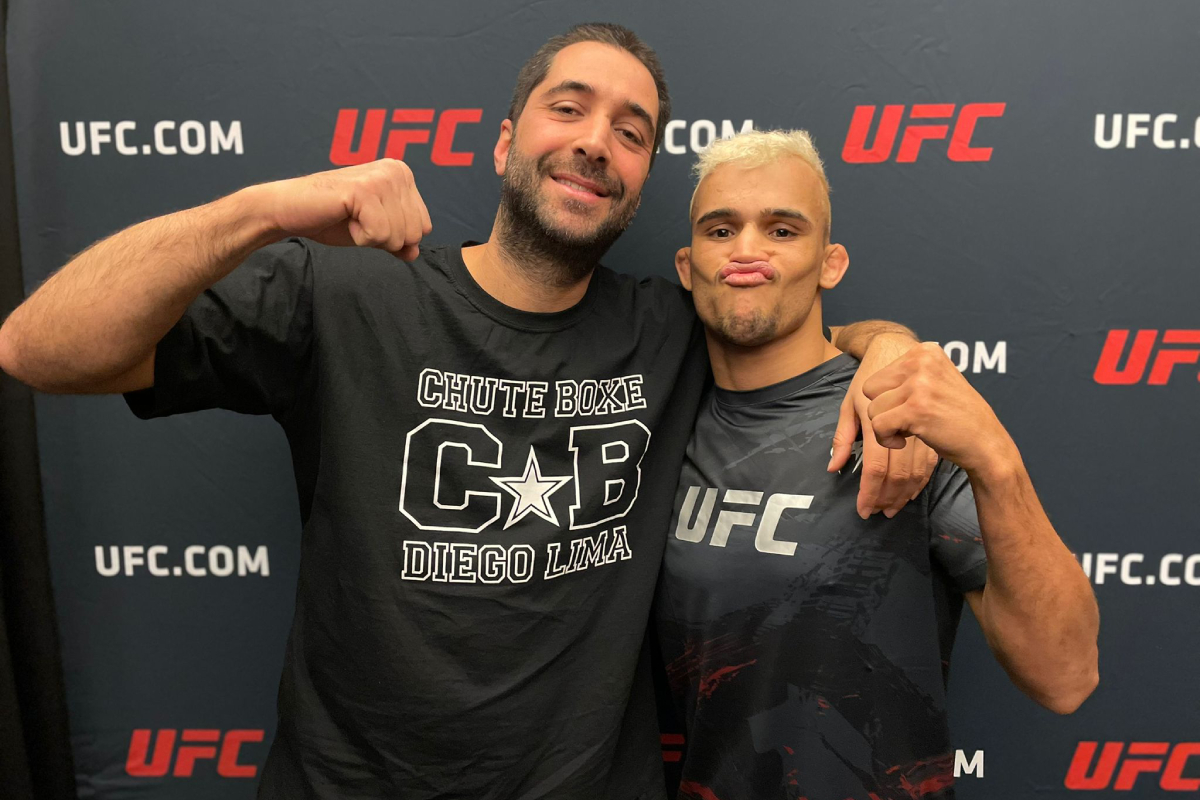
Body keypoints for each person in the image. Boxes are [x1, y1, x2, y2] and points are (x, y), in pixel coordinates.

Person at [1, 25, 932, 800]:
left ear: (641, 181)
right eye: (567, 107)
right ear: (502, 142)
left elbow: (786, 323)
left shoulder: (668, 326)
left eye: (632, 131)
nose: (596, 141)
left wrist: (886, 352)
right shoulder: (347, 294)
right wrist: (260, 210)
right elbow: (38, 349)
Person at [655, 129, 1100, 800]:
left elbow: (1066, 677)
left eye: (781, 230)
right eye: (722, 230)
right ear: (688, 268)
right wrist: (886, 338)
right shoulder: (658, 415)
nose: (746, 251)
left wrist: (995, 460)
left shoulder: (898, 421)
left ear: (830, 263)